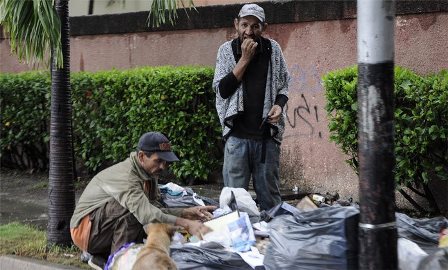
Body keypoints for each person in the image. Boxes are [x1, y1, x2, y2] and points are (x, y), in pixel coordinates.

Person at [70, 131, 216, 270]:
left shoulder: (149, 174)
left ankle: (103, 257)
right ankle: (116, 261)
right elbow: (146, 213)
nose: (163, 167)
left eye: (166, 162)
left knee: (148, 216)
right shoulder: (128, 177)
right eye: (158, 161)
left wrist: (185, 212)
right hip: (85, 231)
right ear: (141, 156)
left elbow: (155, 209)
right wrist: (186, 223)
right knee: (136, 213)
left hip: (102, 226)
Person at [213, 3, 290, 211]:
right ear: (236, 24)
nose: (249, 32)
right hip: (237, 138)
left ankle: (271, 238)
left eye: (255, 26)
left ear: (263, 27)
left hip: (266, 138)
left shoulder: (272, 49)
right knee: (232, 200)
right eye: (244, 25)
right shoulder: (227, 51)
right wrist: (245, 59)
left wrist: (279, 105)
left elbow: (284, 84)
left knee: (270, 199)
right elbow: (222, 90)